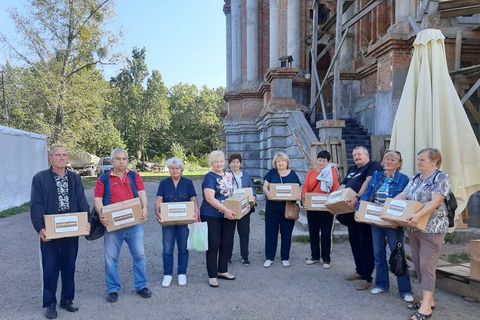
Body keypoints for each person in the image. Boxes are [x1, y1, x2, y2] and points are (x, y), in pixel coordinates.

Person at [30, 146, 89, 319]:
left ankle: (67, 300)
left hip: (72, 229)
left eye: (64, 155)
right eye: (57, 155)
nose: (61, 158)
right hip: (50, 230)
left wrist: (85, 223)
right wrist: (39, 227)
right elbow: (36, 205)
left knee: (69, 266)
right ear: (50, 158)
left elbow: (81, 201)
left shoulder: (75, 178)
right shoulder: (40, 178)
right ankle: (50, 303)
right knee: (50, 268)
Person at [395, 148, 451, 320]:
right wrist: (389, 206)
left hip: (433, 227)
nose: (418, 162)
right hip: (414, 226)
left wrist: (418, 214)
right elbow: (404, 194)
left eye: (422, 160)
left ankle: (426, 307)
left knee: (427, 265)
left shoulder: (440, 177)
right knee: (418, 263)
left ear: (434, 161)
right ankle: (429, 299)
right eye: (418, 159)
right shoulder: (417, 177)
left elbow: (436, 201)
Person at [94, 148, 151, 303]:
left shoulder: (134, 176)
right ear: (112, 161)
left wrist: (144, 207)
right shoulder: (104, 179)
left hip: (134, 224)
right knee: (111, 259)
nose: (121, 161)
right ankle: (113, 289)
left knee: (140, 256)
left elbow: (141, 193)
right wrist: (101, 214)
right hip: (113, 225)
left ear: (127, 160)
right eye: (118, 159)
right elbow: (98, 199)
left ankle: (141, 286)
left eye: (124, 159)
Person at [359, 150, 413, 302]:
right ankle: (382, 284)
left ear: (399, 163)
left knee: (397, 254)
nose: (389, 161)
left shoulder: (404, 179)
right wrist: (360, 210)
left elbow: (405, 200)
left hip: (392, 221)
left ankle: (405, 290)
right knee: (378, 254)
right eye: (386, 158)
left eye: (393, 159)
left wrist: (397, 220)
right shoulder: (377, 175)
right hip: (375, 219)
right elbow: (368, 193)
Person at [336, 146, 382, 290]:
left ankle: (367, 277)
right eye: (355, 155)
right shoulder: (352, 169)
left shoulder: (373, 165)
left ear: (367, 155)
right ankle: (359, 270)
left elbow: (367, 183)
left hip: (362, 208)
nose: (356, 157)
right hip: (349, 210)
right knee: (354, 240)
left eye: (359, 154)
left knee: (365, 242)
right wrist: (336, 197)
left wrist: (357, 197)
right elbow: (343, 184)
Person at [155, 158, 199, 287]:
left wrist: (196, 211)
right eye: (172, 168)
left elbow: (194, 198)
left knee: (183, 248)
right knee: (167, 249)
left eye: (177, 168)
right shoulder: (164, 183)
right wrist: (158, 211)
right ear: (169, 169)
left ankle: (182, 273)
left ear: (181, 170)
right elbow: (159, 199)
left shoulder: (188, 183)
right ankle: (167, 274)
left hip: (184, 222)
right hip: (168, 222)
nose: (175, 170)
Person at [200, 150, 237, 288]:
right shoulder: (209, 177)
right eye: (215, 162)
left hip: (228, 214)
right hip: (212, 214)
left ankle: (223, 270)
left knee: (227, 243)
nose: (219, 164)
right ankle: (212, 275)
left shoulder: (229, 175)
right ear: (211, 163)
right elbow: (209, 198)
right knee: (214, 243)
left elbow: (234, 194)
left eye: (221, 161)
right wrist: (226, 210)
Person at [302, 150, 340, 269]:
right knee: (313, 233)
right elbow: (306, 188)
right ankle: (314, 256)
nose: (321, 162)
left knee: (326, 234)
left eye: (324, 160)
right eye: (320, 160)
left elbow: (336, 188)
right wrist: (304, 199)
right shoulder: (311, 172)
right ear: (316, 160)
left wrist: (332, 201)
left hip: (326, 208)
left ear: (328, 161)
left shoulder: (332, 172)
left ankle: (326, 258)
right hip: (312, 208)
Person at [262, 152, 301, 268]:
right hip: (272, 208)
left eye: (283, 161)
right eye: (278, 161)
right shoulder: (272, 173)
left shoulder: (293, 174)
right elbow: (265, 186)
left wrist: (298, 195)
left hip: (287, 208)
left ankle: (285, 257)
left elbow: (299, 188)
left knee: (286, 233)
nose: (281, 163)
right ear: (275, 163)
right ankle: (269, 257)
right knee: (270, 233)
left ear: (287, 162)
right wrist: (268, 194)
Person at [227, 153, 256, 265]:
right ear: (229, 164)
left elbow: (252, 189)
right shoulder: (226, 176)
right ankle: (228, 256)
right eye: (233, 162)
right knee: (229, 234)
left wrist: (253, 199)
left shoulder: (246, 175)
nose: (235, 164)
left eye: (237, 162)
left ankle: (245, 256)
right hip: (231, 208)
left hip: (244, 209)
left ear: (240, 163)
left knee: (244, 233)